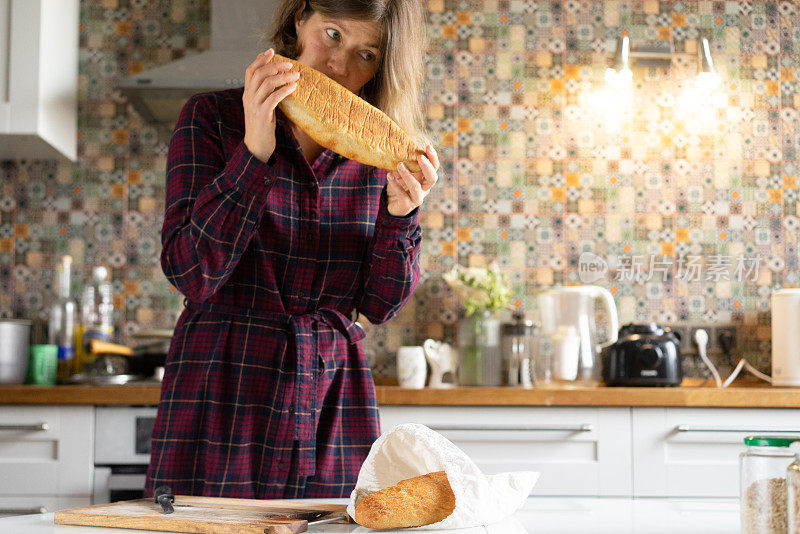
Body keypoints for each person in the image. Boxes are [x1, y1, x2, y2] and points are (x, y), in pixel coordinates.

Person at [144, 0, 438, 500]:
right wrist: (254, 149)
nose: (340, 66)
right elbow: (191, 272)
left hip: (329, 400)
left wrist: (401, 216)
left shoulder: (381, 158)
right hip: (219, 385)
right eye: (332, 34)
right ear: (299, 20)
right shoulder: (211, 118)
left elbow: (380, 306)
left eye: (367, 54)